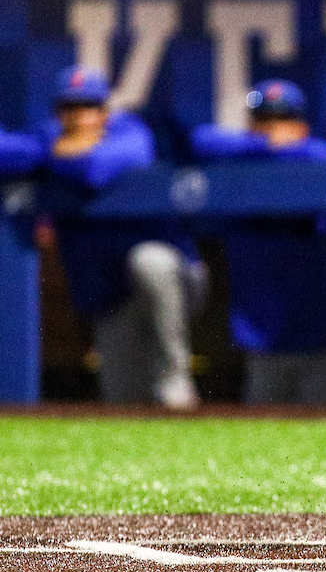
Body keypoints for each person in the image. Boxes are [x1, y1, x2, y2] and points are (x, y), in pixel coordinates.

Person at [38, 66, 205, 409]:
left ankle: (175, 378)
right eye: (71, 108)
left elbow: (100, 168)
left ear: (104, 112)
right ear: (58, 113)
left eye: (90, 107)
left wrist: (57, 155)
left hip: (178, 280)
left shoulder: (130, 132)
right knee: (122, 402)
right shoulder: (48, 135)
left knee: (149, 261)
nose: (81, 117)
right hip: (111, 295)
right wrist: (54, 148)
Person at [190, 80, 326, 406]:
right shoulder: (242, 171)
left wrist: (311, 152)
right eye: (263, 121)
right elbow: (202, 140)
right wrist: (277, 146)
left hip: (321, 335)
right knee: (263, 437)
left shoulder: (324, 170)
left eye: (282, 120)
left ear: (301, 125)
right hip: (262, 336)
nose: (272, 130)